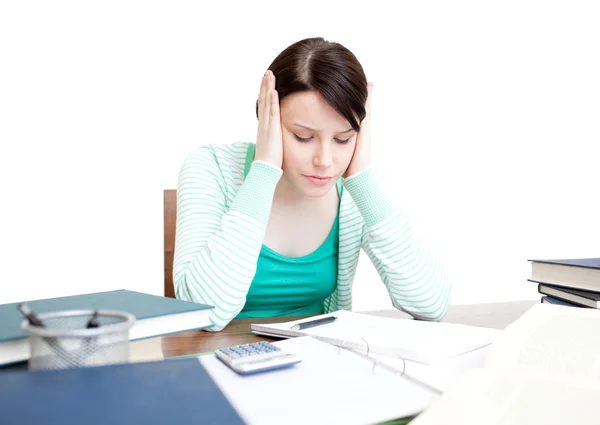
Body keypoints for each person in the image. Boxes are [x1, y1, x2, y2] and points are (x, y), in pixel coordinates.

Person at [173, 37, 450, 331]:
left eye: (343, 138)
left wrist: (363, 181)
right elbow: (206, 314)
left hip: (314, 362)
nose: (325, 160)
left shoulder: (349, 193)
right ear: (268, 120)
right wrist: (264, 171)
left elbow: (431, 304)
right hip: (217, 362)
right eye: (303, 137)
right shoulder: (211, 167)